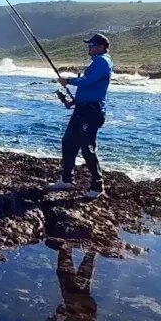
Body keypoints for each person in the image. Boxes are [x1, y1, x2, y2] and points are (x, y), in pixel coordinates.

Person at [48, 33, 113, 198]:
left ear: (100, 47)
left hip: (91, 112)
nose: (89, 48)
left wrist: (68, 81)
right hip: (82, 109)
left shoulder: (103, 61)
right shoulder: (97, 62)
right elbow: (89, 87)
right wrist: (74, 101)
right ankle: (66, 179)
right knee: (68, 142)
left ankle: (97, 186)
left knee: (87, 149)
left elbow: (87, 81)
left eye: (91, 45)